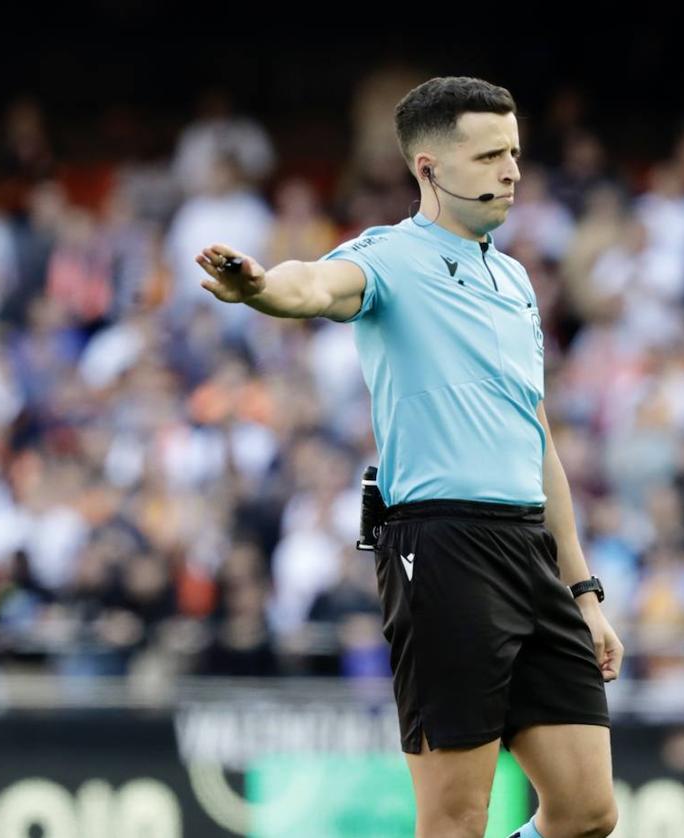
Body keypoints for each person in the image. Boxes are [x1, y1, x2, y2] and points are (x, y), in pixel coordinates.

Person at [195, 76, 622, 838]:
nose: (511, 171)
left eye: (515, 153)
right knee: (456, 819)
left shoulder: (516, 279)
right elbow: (314, 285)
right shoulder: (389, 256)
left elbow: (535, 435)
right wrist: (259, 288)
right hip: (442, 547)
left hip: (529, 549)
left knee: (587, 814)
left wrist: (582, 591)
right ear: (427, 167)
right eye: (489, 155)